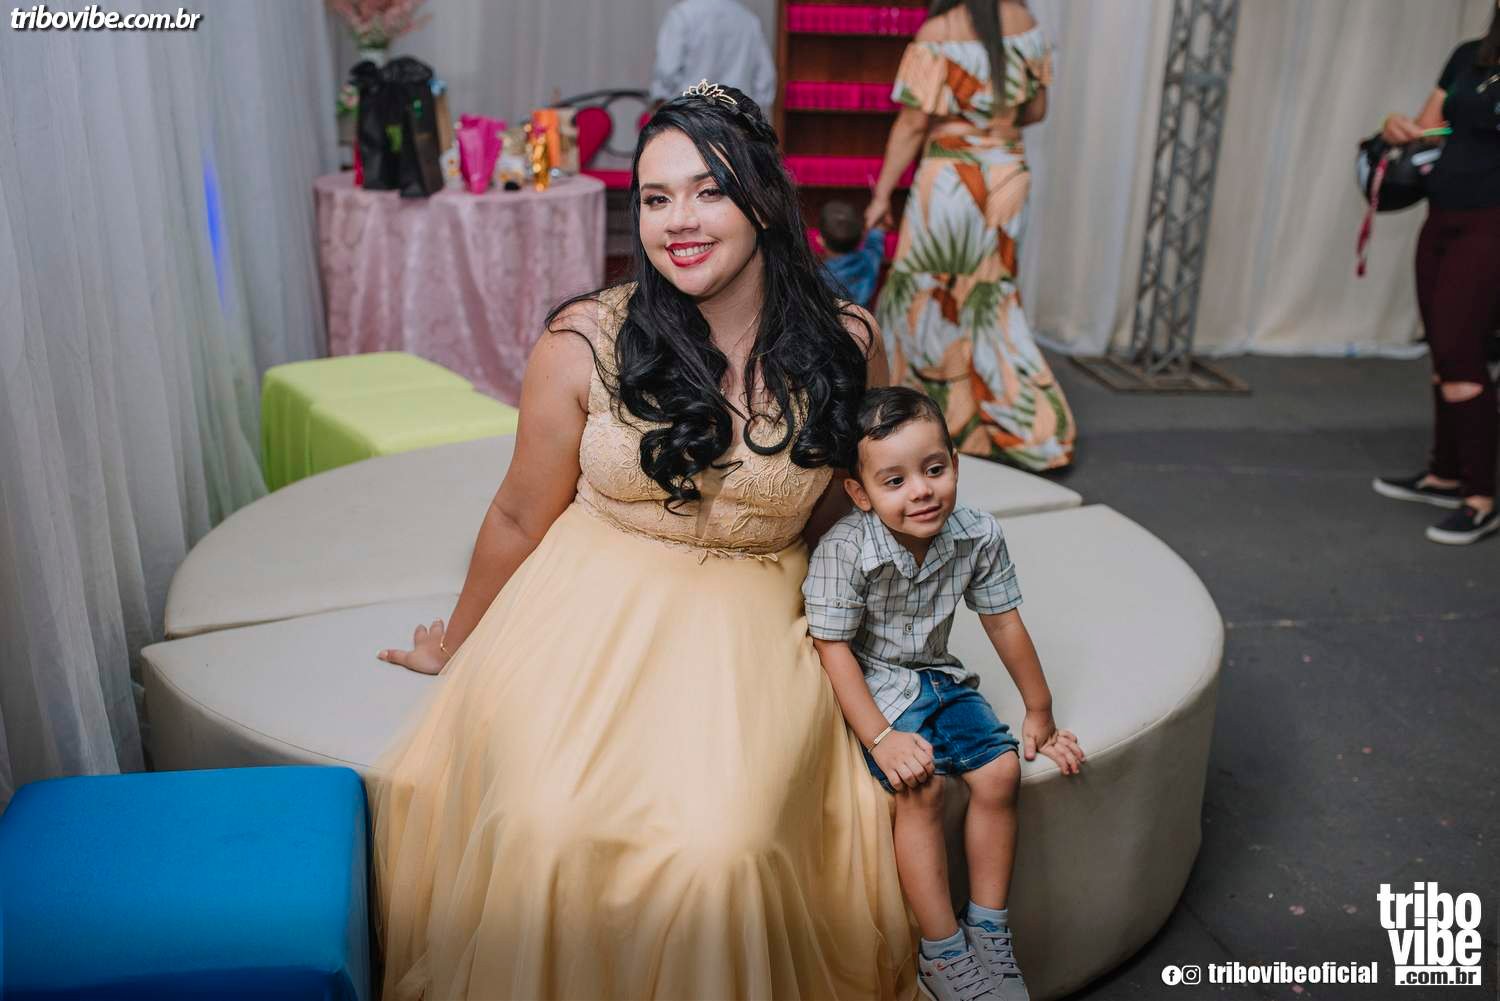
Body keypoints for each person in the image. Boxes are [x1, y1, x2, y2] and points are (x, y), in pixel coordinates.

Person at [369, 82, 920, 1000]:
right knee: (543, 823)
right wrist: (455, 645)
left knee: (722, 848)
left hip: (754, 618)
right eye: (656, 198)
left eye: (708, 190)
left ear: (764, 199)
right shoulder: (583, 340)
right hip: (586, 603)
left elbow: (845, 513)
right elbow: (518, 515)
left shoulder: (848, 344)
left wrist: (885, 650)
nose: (679, 221)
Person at [804, 386, 1082, 1001]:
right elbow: (832, 648)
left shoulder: (976, 533)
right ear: (860, 492)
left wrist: (1039, 710)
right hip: (874, 686)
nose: (921, 491)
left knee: (1001, 771)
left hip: (936, 674)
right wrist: (881, 738)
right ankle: (943, 951)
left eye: (934, 470)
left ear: (955, 464)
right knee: (921, 788)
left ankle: (988, 928)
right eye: (894, 481)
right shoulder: (847, 549)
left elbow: (1003, 621)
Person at [866, 0, 1073, 473]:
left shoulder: (938, 31)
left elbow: (913, 123)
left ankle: (919, 421)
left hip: (952, 175)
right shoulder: (1026, 22)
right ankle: (1029, 426)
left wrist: (881, 195)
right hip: (1008, 174)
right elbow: (1036, 109)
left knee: (920, 295)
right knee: (991, 300)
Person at [1372, 5, 1500, 545]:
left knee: (1460, 351)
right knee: (1442, 350)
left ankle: (1481, 497)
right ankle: (1445, 475)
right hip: (1442, 215)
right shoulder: (1470, 56)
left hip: (1491, 224)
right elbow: (1432, 127)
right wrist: (1397, 127)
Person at [650, 0, 777, 113]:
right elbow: (765, 78)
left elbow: (667, 71)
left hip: (690, 115)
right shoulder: (748, 19)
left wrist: (662, 102)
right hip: (735, 117)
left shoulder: (683, 14)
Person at [819, 199, 886, 309]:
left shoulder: (819, 277)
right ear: (861, 237)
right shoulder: (869, 261)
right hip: (862, 318)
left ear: (821, 240)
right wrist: (880, 201)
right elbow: (877, 234)